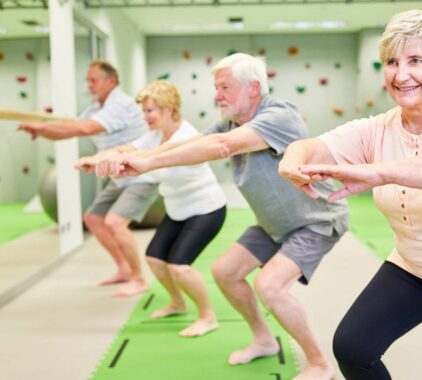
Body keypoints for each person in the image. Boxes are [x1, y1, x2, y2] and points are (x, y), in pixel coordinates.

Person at [95, 53, 349, 380]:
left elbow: (222, 146)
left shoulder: (279, 116)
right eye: (216, 88)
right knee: (225, 271)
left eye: (224, 87)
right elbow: (193, 142)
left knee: (270, 286)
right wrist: (133, 156)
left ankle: (319, 364)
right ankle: (264, 339)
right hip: (274, 225)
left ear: (254, 88)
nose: (217, 96)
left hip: (316, 221)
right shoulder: (232, 121)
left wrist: (147, 163)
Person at [279, 9, 422, 380]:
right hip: (415, 266)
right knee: (353, 348)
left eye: (416, 60)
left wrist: (378, 171)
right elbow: (310, 147)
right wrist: (292, 160)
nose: (401, 75)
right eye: (391, 62)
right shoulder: (375, 129)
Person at [79, 80, 227, 337]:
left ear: (170, 109)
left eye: (150, 111)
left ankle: (208, 317)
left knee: (179, 267)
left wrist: (124, 161)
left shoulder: (187, 136)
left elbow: (151, 157)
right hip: (177, 209)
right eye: (144, 111)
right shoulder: (157, 135)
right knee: (155, 260)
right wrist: (96, 159)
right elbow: (128, 148)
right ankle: (178, 303)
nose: (145, 116)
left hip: (206, 209)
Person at [19, 60, 159, 297]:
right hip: (120, 176)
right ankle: (124, 269)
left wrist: (44, 127)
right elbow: (70, 128)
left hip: (142, 175)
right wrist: (42, 130)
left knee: (115, 222)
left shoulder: (120, 104)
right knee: (93, 218)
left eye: (94, 80)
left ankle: (139, 278)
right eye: (88, 80)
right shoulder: (96, 108)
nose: (89, 85)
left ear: (111, 81)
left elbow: (83, 130)